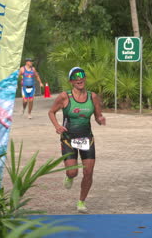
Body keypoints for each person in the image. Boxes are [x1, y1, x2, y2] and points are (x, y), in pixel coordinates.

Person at [48, 67, 106, 213]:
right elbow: (51, 112)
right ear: (71, 81)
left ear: (85, 78)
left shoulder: (92, 96)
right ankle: (69, 176)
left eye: (82, 76)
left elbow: (98, 116)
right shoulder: (64, 96)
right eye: (75, 77)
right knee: (72, 172)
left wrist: (100, 119)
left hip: (87, 138)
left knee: (88, 172)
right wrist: (57, 126)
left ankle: (81, 201)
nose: (79, 79)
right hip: (68, 139)